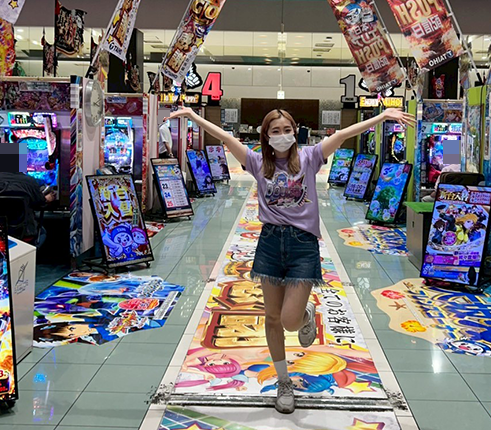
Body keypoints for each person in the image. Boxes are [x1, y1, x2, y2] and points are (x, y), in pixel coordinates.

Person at [168, 106, 415, 414]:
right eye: (275, 131)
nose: (282, 135)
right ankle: (283, 381)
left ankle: (305, 315)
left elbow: (342, 134)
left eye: (287, 130)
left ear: (295, 132)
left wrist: (381, 117)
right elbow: (225, 138)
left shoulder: (310, 157)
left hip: (303, 246)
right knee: (272, 318)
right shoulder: (257, 162)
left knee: (289, 320)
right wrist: (194, 117)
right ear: (266, 136)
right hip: (270, 243)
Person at [0, 171, 55, 247]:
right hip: (24, 233)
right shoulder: (30, 181)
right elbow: (40, 204)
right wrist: (47, 199)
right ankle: (29, 252)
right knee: (42, 232)